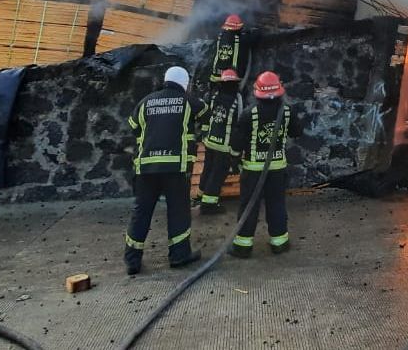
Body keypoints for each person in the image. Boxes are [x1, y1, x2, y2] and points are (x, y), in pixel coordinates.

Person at [123, 66, 208, 275]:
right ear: (185, 84)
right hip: (175, 168)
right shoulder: (187, 101)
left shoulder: (146, 102)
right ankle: (179, 255)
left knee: (141, 212)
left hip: (146, 168)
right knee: (178, 210)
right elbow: (206, 111)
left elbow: (133, 126)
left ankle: (132, 261)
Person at [228, 71, 304, 257]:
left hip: (253, 170)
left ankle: (243, 247)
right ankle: (279, 243)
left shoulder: (248, 114)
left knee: (249, 207)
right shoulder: (287, 111)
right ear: (279, 90)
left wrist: (234, 160)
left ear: (257, 92)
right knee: (276, 204)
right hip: (277, 169)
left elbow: (236, 143)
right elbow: (297, 132)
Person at [198, 68, 242, 214]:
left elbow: (208, 116)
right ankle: (209, 205)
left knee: (208, 168)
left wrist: (204, 135)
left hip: (210, 141)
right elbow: (239, 123)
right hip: (224, 145)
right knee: (218, 173)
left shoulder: (214, 96)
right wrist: (236, 150)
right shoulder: (237, 99)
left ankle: (201, 194)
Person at [209, 14, 250, 82]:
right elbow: (255, 38)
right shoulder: (241, 39)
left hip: (215, 76)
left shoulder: (220, 37)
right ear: (239, 28)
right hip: (233, 78)